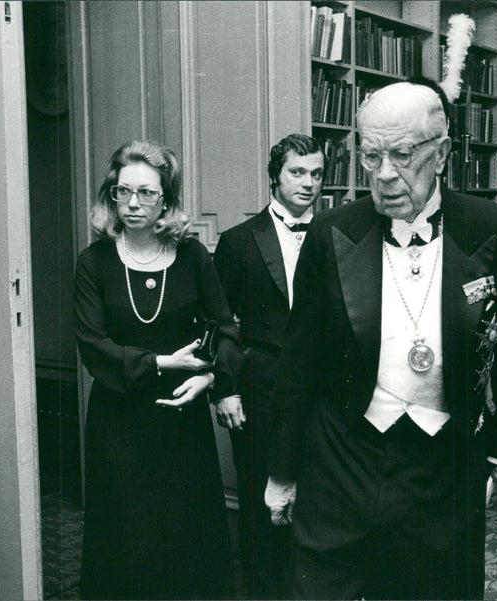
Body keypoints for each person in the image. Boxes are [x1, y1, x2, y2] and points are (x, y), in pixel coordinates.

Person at [266, 79, 497, 600]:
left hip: (444, 463)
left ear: (442, 154)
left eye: (403, 155)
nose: (384, 174)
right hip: (342, 454)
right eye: (370, 156)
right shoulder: (330, 233)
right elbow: (298, 360)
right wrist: (282, 472)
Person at [74, 139, 241, 600]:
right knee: (125, 544)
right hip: (119, 423)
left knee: (185, 542)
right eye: (122, 191)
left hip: (181, 423)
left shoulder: (193, 258)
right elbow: (93, 345)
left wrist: (210, 378)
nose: (132, 203)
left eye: (146, 193)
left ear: (167, 198)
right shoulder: (94, 263)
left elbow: (226, 330)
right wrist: (164, 361)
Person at [213, 134, 324, 599]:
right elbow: (217, 323)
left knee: (320, 503)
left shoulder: (340, 234)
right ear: (274, 175)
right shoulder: (238, 242)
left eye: (317, 173)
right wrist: (225, 388)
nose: (309, 183)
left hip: (325, 393)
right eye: (298, 172)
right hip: (260, 392)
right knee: (261, 506)